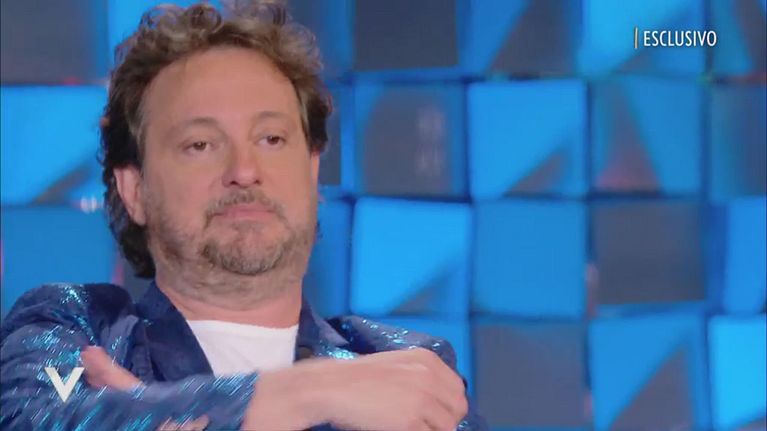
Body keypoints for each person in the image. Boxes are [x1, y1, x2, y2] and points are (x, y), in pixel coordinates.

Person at [0, 2, 486, 430]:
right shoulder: (75, 331)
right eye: (200, 144)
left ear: (312, 170)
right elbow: (39, 419)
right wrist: (309, 392)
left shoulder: (400, 367)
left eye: (271, 139)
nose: (244, 171)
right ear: (135, 191)